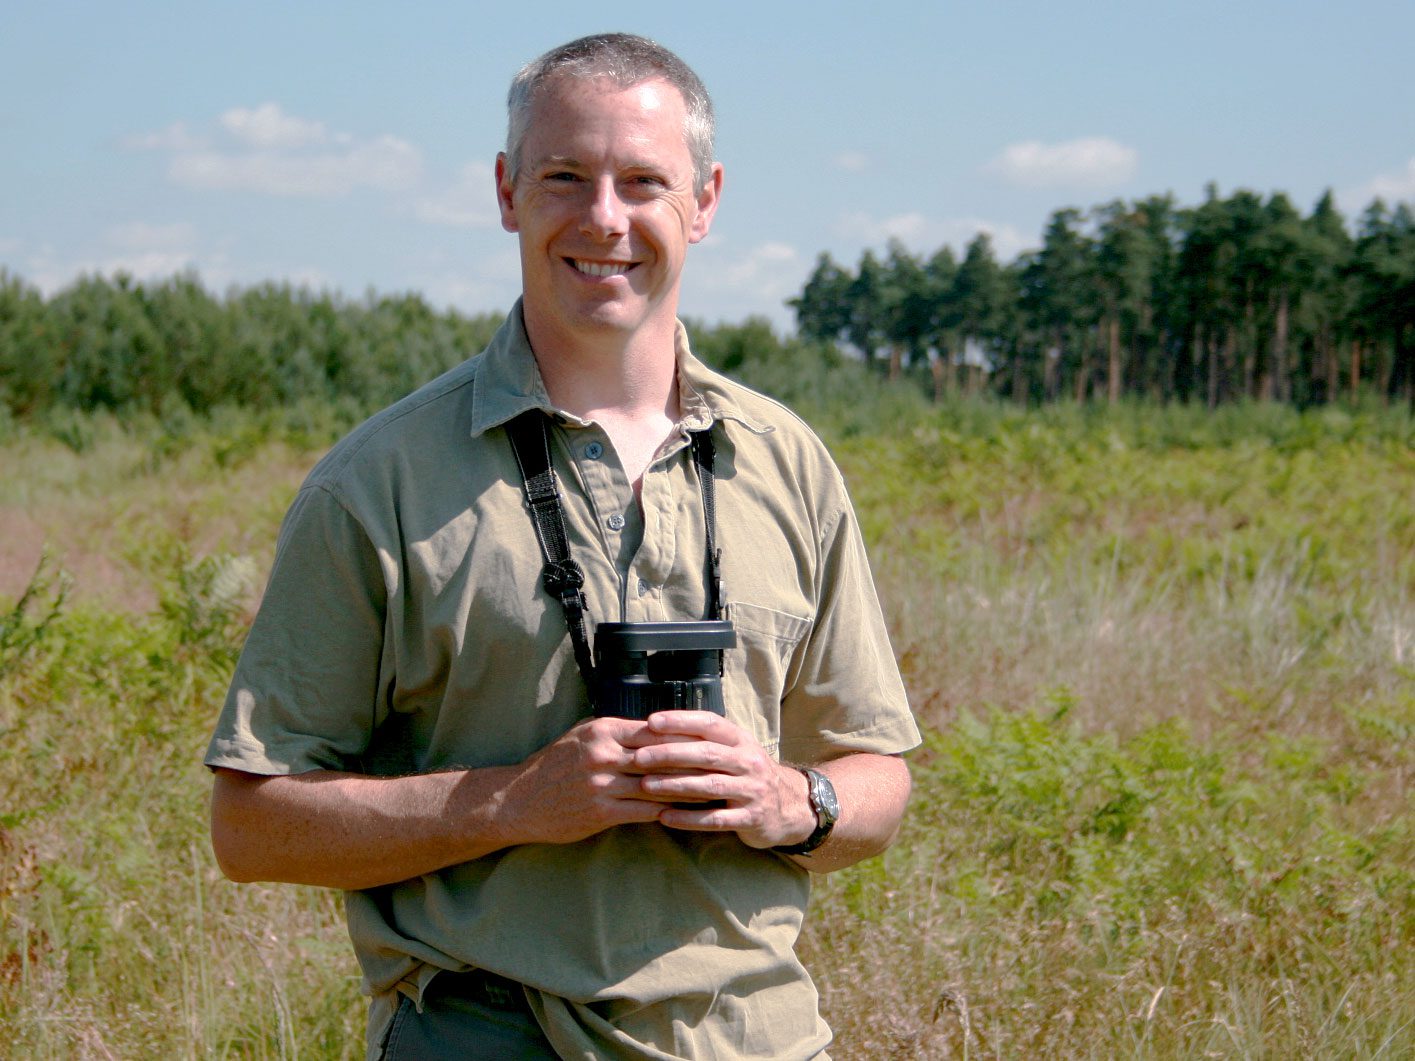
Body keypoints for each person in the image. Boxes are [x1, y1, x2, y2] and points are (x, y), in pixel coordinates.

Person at [205, 32, 920, 1060]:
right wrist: (513, 801)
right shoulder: (380, 481)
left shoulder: (788, 462)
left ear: (704, 202)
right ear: (506, 191)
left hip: (752, 1033)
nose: (604, 219)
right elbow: (251, 827)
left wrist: (782, 796)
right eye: (564, 177)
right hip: (483, 1030)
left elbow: (876, 778)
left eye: (642, 181)